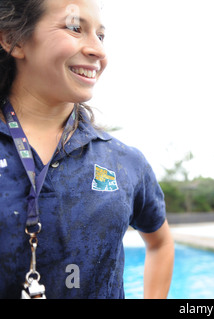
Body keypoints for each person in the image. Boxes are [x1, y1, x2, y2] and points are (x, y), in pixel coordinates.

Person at [0, 0, 174, 299]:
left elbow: (160, 243)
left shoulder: (124, 161)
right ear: (13, 39)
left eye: (101, 36)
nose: (99, 50)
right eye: (75, 28)